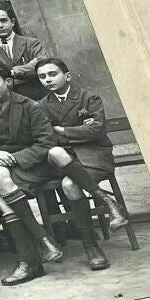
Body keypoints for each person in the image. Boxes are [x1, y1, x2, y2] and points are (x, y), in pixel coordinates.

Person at [0, 63, 63, 286]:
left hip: (33, 164)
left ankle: (29, 260)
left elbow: (47, 143)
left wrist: (17, 158)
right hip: (0, 163)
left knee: (0, 195)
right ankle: (43, 240)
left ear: (8, 82)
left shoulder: (30, 106)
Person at [36, 56, 126, 269]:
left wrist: (63, 131)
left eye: (52, 74)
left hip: (93, 155)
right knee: (64, 173)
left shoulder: (88, 97)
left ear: (66, 76)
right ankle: (105, 212)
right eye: (42, 76)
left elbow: (97, 130)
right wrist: (79, 131)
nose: (47, 79)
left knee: (70, 183)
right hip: (63, 160)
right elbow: (47, 137)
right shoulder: (41, 105)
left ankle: (92, 245)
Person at [0, 2, 47, 100]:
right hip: (6, 99)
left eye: (3, 20)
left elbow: (42, 65)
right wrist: (27, 70)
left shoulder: (31, 43)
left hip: (37, 94)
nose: (0, 25)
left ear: (12, 22)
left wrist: (11, 73)